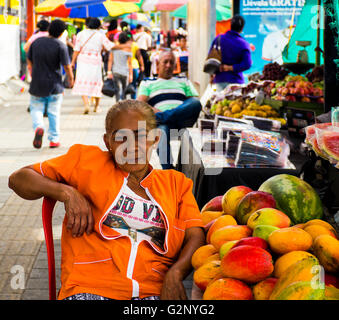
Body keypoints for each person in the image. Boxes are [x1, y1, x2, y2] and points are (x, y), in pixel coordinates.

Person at [8, 99, 205, 300]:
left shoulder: (176, 183)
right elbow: (18, 179)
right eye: (121, 137)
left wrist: (176, 273)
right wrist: (66, 193)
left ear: (155, 139)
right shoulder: (86, 161)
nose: (132, 146)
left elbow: (195, 236)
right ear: (107, 142)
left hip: (152, 291)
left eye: (141, 135)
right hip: (90, 287)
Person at [137, 50, 202, 169]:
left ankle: (162, 117)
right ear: (157, 64)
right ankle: (169, 172)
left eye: (171, 62)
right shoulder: (148, 82)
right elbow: (140, 104)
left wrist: (162, 116)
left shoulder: (183, 80)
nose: (168, 65)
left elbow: (192, 101)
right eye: (165, 62)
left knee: (195, 102)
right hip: (163, 126)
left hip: (182, 120)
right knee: (161, 132)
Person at [27, 19, 74, 149]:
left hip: (37, 83)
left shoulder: (36, 43)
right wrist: (71, 79)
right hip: (55, 85)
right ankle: (54, 139)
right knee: (54, 112)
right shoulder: (60, 45)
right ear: (61, 33)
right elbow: (67, 65)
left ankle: (39, 127)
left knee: (36, 108)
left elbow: (29, 60)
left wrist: (32, 73)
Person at [71, 18, 128, 114]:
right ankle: (96, 107)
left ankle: (86, 104)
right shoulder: (100, 35)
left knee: (82, 81)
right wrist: (124, 46)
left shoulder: (80, 34)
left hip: (83, 60)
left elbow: (76, 49)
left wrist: (73, 62)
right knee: (96, 82)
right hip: (95, 60)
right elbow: (110, 46)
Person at [208, 15, 252, 91]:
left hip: (220, 79)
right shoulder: (243, 44)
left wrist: (212, 75)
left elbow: (211, 59)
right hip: (236, 81)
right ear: (242, 28)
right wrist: (231, 68)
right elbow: (247, 64)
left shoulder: (218, 39)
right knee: (235, 102)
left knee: (220, 102)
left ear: (230, 25)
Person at [107, 32, 133, 102]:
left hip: (115, 71)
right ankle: (123, 105)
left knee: (117, 90)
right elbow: (130, 63)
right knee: (124, 90)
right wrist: (131, 75)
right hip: (125, 72)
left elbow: (110, 60)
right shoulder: (128, 49)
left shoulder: (114, 48)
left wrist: (109, 71)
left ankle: (117, 103)